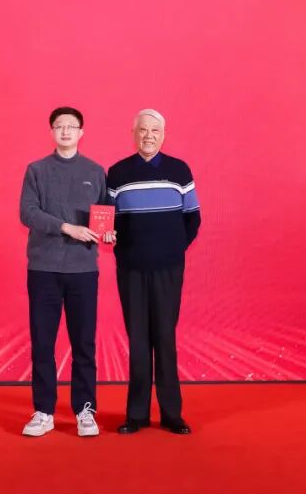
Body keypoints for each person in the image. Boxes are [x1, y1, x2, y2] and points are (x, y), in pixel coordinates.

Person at [18, 106, 111, 437]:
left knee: (83, 342)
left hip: (82, 270)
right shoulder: (37, 170)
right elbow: (28, 212)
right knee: (43, 342)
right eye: (60, 126)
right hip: (43, 269)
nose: (66, 131)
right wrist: (66, 227)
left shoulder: (95, 172)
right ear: (52, 131)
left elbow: (104, 215)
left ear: (82, 132)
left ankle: (85, 410)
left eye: (72, 126)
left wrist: (108, 233)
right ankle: (44, 411)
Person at [107, 108, 200, 435]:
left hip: (168, 269)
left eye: (155, 131)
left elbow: (193, 218)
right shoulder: (117, 173)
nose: (149, 136)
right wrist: (118, 244)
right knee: (137, 340)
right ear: (133, 134)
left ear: (164, 135)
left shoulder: (179, 170)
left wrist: (172, 249)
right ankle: (136, 415)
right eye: (143, 130)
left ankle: (172, 414)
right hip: (131, 269)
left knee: (164, 338)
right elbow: (108, 220)